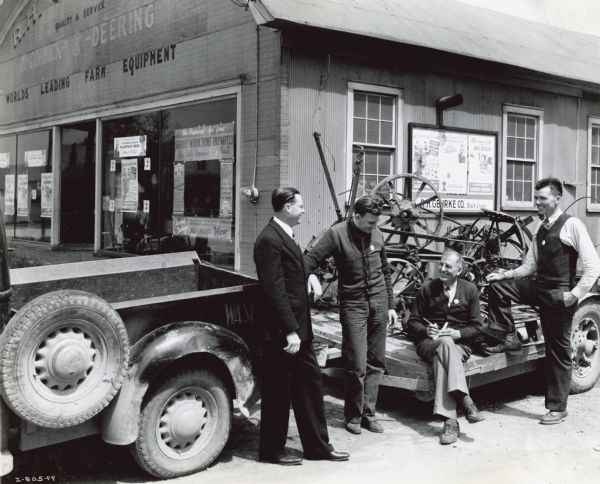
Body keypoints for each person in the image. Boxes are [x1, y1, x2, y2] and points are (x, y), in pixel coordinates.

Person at [484, 177, 600, 425]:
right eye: (536, 198)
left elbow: (593, 266)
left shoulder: (572, 225)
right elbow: (529, 266)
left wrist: (574, 295)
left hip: (559, 295)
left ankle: (558, 408)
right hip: (538, 286)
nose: (538, 203)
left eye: (543, 199)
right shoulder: (539, 227)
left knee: (557, 352)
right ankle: (509, 338)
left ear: (557, 198)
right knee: (498, 288)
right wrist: (505, 275)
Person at [253, 187, 349, 466]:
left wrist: (310, 275)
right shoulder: (268, 240)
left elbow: (294, 268)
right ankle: (272, 451)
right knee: (278, 393)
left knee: (310, 388)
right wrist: (289, 330)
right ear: (285, 206)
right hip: (285, 333)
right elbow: (274, 290)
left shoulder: (285, 234)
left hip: (300, 330)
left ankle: (318, 447)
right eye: (300, 205)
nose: (304, 210)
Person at [304, 195, 398, 434]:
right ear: (355, 216)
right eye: (369, 223)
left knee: (376, 362)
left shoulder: (376, 233)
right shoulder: (336, 234)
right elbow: (309, 259)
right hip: (354, 305)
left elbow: (386, 270)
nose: (373, 228)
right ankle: (353, 416)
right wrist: (310, 274)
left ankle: (369, 413)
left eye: (375, 223)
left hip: (379, 302)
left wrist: (391, 305)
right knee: (357, 363)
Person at [406, 247, 484, 445]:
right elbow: (412, 322)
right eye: (441, 264)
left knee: (443, 357)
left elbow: (477, 327)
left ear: (459, 270)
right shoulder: (427, 288)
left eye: (448, 266)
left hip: (459, 345)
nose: (443, 269)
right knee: (444, 343)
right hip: (428, 343)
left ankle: (450, 421)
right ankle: (465, 400)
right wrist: (426, 331)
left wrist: (459, 333)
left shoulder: (470, 290)